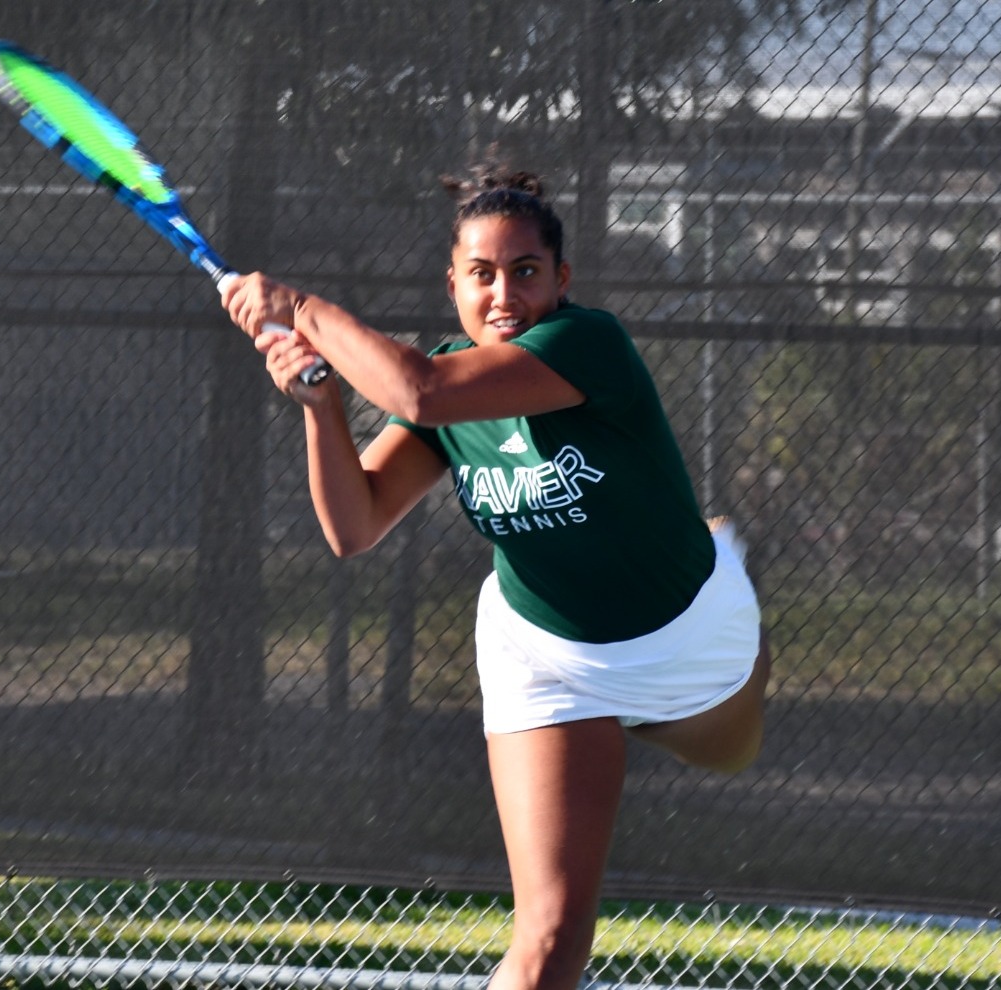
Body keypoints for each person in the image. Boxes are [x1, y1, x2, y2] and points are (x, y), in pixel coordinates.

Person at [222, 163, 771, 990]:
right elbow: (354, 524)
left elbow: (420, 390)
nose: (503, 295)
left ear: (562, 280)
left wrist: (300, 308)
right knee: (549, 941)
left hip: (691, 640)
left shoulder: (588, 345)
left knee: (727, 749)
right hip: (542, 654)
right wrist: (320, 406)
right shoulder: (447, 381)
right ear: (453, 284)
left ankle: (717, 550)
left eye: (525, 272)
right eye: (481, 275)